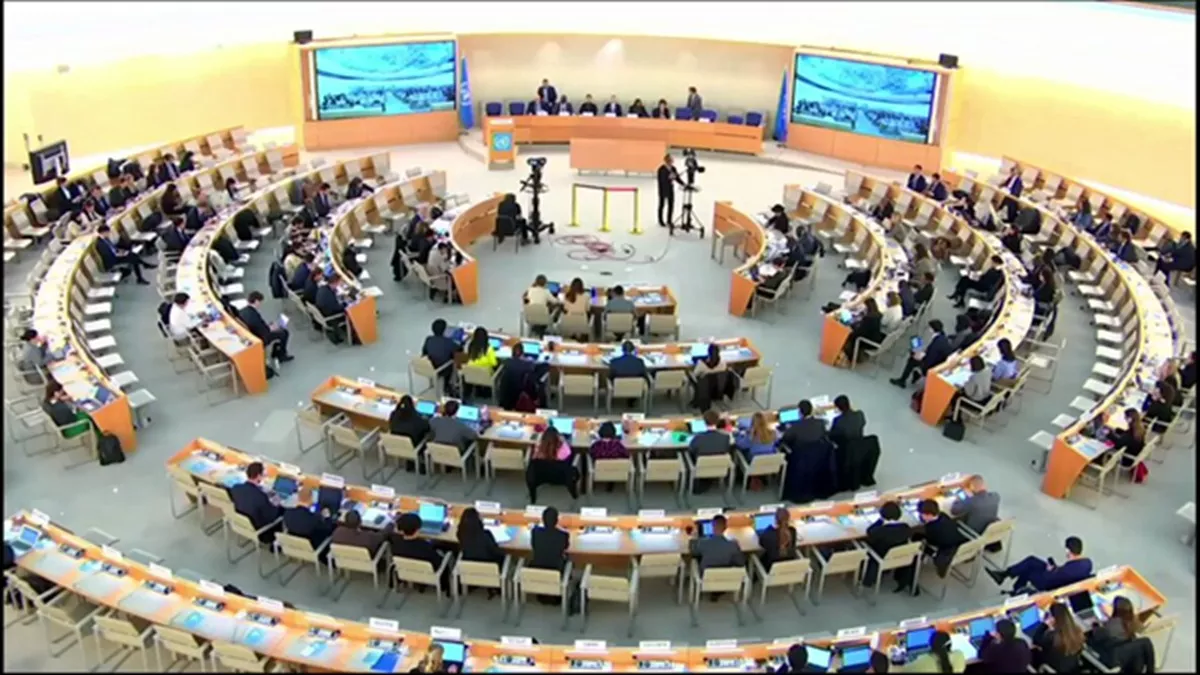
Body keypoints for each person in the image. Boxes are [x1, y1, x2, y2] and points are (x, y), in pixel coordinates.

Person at [986, 535, 1092, 593]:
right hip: (1058, 576)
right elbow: (1062, 573)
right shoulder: (1087, 563)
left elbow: (1051, 577)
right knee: (1032, 560)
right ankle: (1006, 576)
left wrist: (1049, 570)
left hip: (1049, 584)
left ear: (1068, 550)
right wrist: (1055, 569)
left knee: (1028, 570)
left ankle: (1015, 587)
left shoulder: (1069, 569)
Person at [913, 499, 966, 587]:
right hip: (958, 544)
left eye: (922, 514)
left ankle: (919, 560)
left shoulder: (932, 528)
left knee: (917, 537)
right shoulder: (943, 515)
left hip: (945, 550)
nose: (921, 516)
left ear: (929, 515)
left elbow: (931, 541)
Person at [389, 512, 448, 590]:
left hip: (406, 572)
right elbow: (438, 562)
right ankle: (444, 586)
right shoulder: (425, 547)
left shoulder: (396, 545)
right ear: (418, 529)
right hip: (428, 574)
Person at [228, 462, 284, 543]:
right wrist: (277, 503)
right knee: (284, 511)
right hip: (261, 530)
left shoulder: (236, 488)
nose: (265, 477)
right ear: (258, 476)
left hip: (243, 523)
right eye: (264, 475)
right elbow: (272, 516)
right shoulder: (261, 496)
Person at [863, 501, 913, 589]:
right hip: (899, 556)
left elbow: (869, 531)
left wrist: (880, 520)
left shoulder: (880, 531)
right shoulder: (905, 527)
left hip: (881, 557)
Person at [890, 319, 952, 388]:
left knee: (912, 359)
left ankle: (902, 380)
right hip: (936, 361)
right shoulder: (942, 337)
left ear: (932, 329)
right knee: (916, 349)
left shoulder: (937, 342)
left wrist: (921, 357)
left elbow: (930, 359)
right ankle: (916, 374)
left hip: (931, 365)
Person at [238, 290, 294, 363]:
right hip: (260, 337)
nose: (260, 304)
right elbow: (264, 331)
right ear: (256, 301)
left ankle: (276, 351)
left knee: (277, 329)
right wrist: (272, 327)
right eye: (260, 302)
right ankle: (281, 355)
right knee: (284, 333)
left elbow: (259, 326)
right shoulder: (254, 315)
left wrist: (269, 326)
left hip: (254, 333)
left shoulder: (242, 311)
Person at [526, 426, 578, 502]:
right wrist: (564, 441)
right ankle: (574, 494)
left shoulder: (539, 449)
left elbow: (534, 460)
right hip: (561, 477)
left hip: (542, 476)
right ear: (558, 437)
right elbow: (569, 455)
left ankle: (533, 498)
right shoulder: (563, 448)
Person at [1031, 602, 1085, 673]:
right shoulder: (1077, 631)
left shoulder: (1052, 636)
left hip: (1054, 668)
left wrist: (1045, 624)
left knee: (1034, 653)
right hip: (1072, 668)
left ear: (1054, 618)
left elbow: (1035, 640)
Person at [1089, 595, 1142, 662]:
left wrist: (1095, 626)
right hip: (1124, 653)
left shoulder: (1111, 626)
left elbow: (1097, 635)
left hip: (1109, 654)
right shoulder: (1133, 622)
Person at [388, 395, 431, 472]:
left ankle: (410, 461)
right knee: (427, 437)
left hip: (395, 444)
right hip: (412, 445)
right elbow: (426, 428)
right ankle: (421, 463)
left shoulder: (393, 414)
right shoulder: (417, 417)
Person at [952, 355, 992, 422]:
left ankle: (956, 417)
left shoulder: (974, 378)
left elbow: (969, 393)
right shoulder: (988, 370)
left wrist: (964, 384)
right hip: (986, 396)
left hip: (977, 401)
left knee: (956, 396)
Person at [757, 507, 798, 572]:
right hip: (789, 569)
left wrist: (769, 528)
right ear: (788, 519)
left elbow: (761, 543)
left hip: (771, 570)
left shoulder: (769, 533)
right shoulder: (793, 531)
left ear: (775, 520)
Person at [530, 507, 570, 571]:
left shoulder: (535, 532)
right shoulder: (563, 535)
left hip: (537, 569)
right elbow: (566, 547)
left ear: (543, 519)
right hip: (556, 570)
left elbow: (533, 545)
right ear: (557, 520)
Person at [656, 154, 684, 229]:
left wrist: (683, 184)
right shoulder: (661, 169)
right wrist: (670, 177)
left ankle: (669, 220)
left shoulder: (673, 168)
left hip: (670, 189)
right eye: (671, 160)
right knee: (661, 205)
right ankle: (660, 220)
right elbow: (662, 180)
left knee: (671, 205)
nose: (672, 161)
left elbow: (677, 178)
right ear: (667, 161)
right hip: (663, 189)